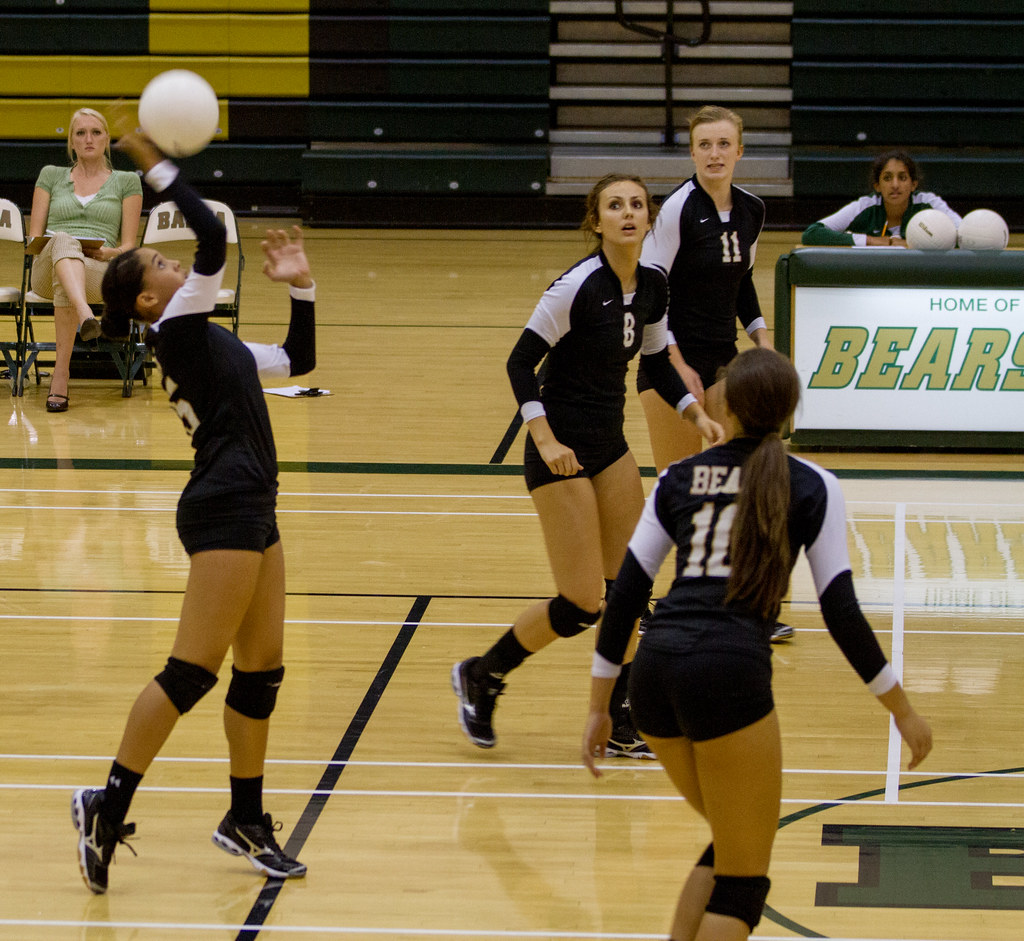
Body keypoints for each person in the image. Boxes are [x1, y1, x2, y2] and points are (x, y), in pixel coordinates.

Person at [582, 347, 933, 941]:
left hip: (655, 676)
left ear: (728, 407)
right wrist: (901, 709)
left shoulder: (679, 477)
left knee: (729, 843)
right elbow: (841, 612)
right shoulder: (814, 484)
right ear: (790, 414)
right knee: (744, 876)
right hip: (727, 674)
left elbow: (624, 598)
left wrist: (598, 706)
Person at [70, 127, 317, 895]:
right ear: (149, 299)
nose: (182, 264)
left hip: (251, 503)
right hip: (225, 505)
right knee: (191, 671)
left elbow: (299, 360)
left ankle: (244, 817)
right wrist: (151, 163)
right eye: (165, 266)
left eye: (176, 263)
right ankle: (105, 805)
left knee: (263, 669)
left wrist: (301, 285)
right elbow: (211, 229)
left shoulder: (214, 342)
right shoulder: (177, 327)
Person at [452, 173, 724, 758]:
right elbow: (520, 364)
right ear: (596, 222)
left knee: (628, 588)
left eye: (637, 205)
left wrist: (693, 413)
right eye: (614, 206)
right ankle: (483, 673)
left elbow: (655, 358)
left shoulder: (653, 283)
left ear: (649, 219)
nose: (628, 213)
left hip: (608, 445)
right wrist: (545, 439)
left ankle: (623, 717)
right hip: (561, 449)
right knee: (580, 604)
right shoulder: (574, 287)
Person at [638, 105, 793, 644]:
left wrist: (764, 344)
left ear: (740, 151)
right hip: (670, 360)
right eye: (704, 144)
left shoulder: (752, 209)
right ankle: (657, 602)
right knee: (679, 489)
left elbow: (743, 283)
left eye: (724, 144)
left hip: (724, 359)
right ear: (692, 151)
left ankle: (748, 603)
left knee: (741, 484)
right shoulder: (677, 210)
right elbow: (652, 293)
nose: (715, 154)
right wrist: (675, 362)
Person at [27, 107, 143, 412]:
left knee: (67, 278)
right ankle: (85, 316)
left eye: (96, 132)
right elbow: (33, 239)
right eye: (80, 133)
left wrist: (109, 252)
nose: (88, 138)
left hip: (99, 269)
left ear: (106, 139)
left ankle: (61, 376)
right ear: (71, 141)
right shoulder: (50, 175)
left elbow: (129, 246)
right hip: (46, 268)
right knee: (63, 240)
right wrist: (61, 244)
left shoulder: (127, 181)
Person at [801, 149, 961, 247]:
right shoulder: (865, 205)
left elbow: (964, 235)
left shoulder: (929, 203)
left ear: (913, 184)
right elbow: (813, 233)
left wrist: (921, 244)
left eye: (903, 178)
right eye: (887, 178)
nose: (895, 185)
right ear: (877, 185)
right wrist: (871, 241)